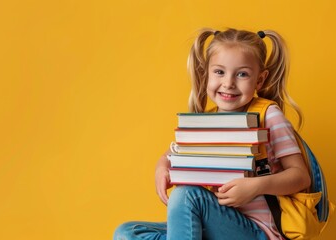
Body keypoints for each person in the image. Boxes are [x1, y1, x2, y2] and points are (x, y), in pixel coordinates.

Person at [114, 28, 311, 240]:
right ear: (205, 73)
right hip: (213, 225)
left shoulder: (268, 115)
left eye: (242, 74)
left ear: (260, 80)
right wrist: (162, 166)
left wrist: (255, 186)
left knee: (186, 195)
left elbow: (300, 176)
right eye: (219, 72)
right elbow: (173, 154)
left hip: (257, 231)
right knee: (127, 233)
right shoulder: (206, 121)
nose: (228, 83)